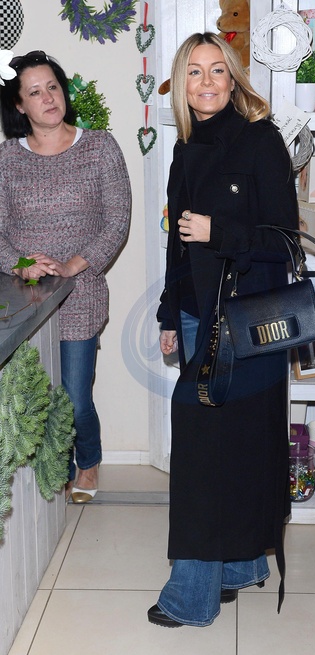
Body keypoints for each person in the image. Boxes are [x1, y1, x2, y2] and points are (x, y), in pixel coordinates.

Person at [150, 32, 299, 628]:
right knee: (227, 445)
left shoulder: (261, 140)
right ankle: (239, 566)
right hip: (196, 314)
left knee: (204, 455)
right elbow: (177, 243)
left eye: (217, 70)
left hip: (243, 320)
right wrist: (170, 313)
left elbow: (284, 242)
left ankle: (192, 596)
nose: (206, 82)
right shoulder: (185, 147)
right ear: (181, 84)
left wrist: (221, 232)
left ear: (233, 78)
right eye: (194, 71)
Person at [0, 51, 131, 503]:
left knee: (74, 396)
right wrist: (21, 263)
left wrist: (73, 265)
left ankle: (88, 461)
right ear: (20, 105)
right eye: (35, 92)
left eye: (53, 86)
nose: (48, 98)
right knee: (33, 396)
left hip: (81, 292)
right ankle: (52, 467)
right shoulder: (6, 158)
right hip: (23, 300)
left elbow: (117, 221)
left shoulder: (100, 147)